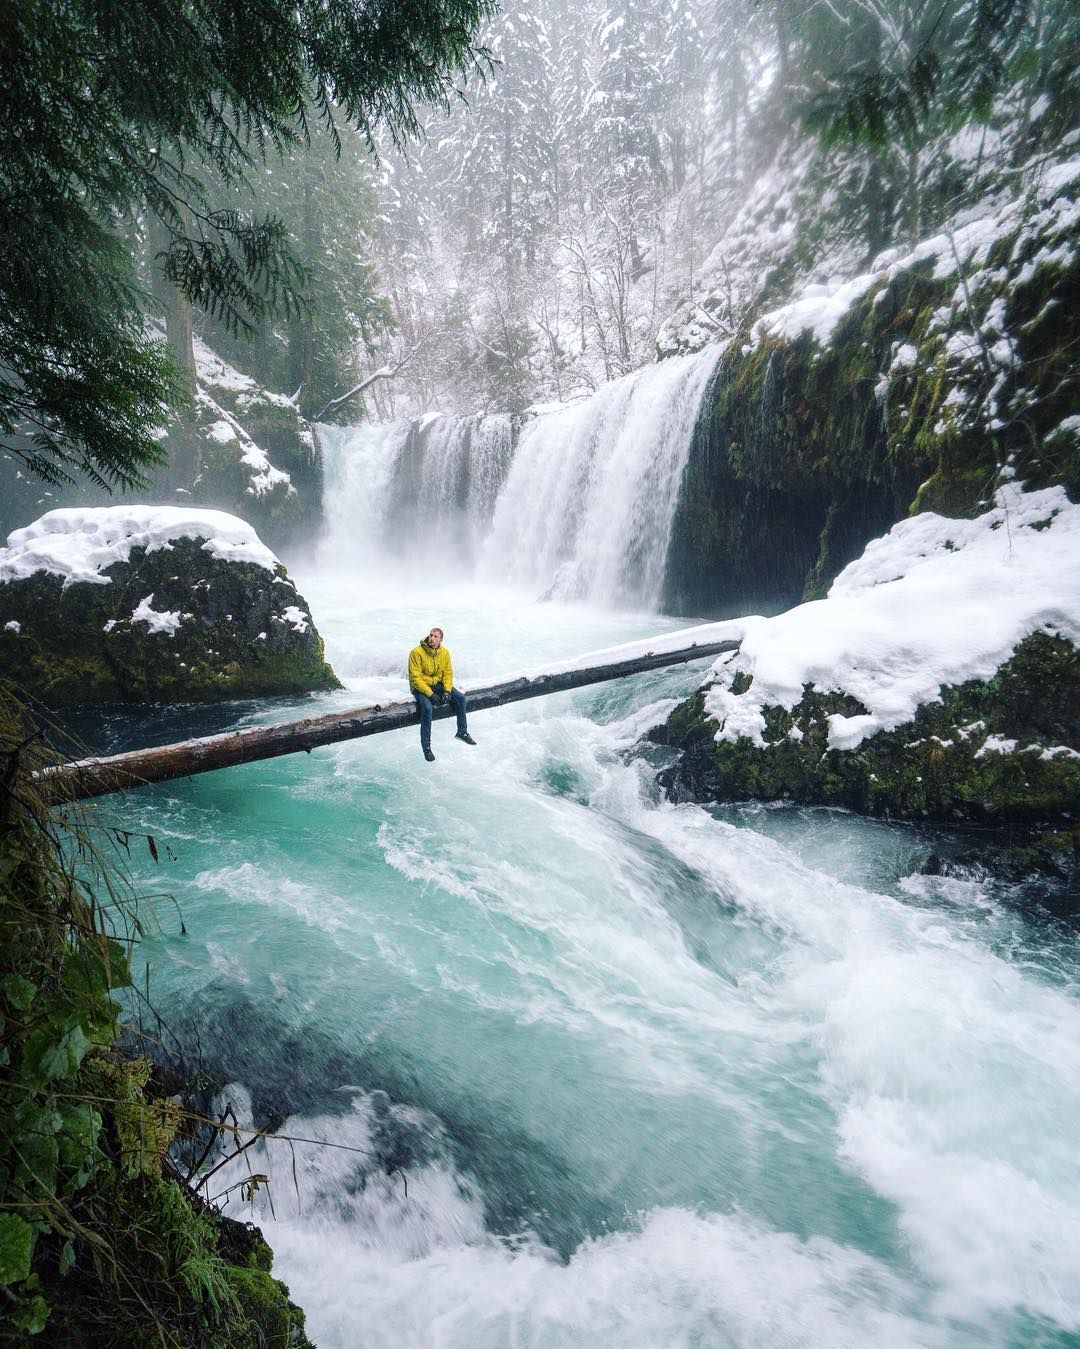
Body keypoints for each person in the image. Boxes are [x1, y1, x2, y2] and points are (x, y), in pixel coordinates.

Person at [407, 627, 476, 762]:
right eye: (430, 635)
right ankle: (426, 747)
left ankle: (462, 732)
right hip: (420, 687)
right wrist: (431, 694)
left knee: (461, 698)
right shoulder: (416, 652)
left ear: (441, 640)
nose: (432, 638)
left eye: (435, 636)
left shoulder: (444, 653)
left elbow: (448, 674)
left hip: (437, 684)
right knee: (427, 708)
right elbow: (415, 678)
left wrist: (447, 691)